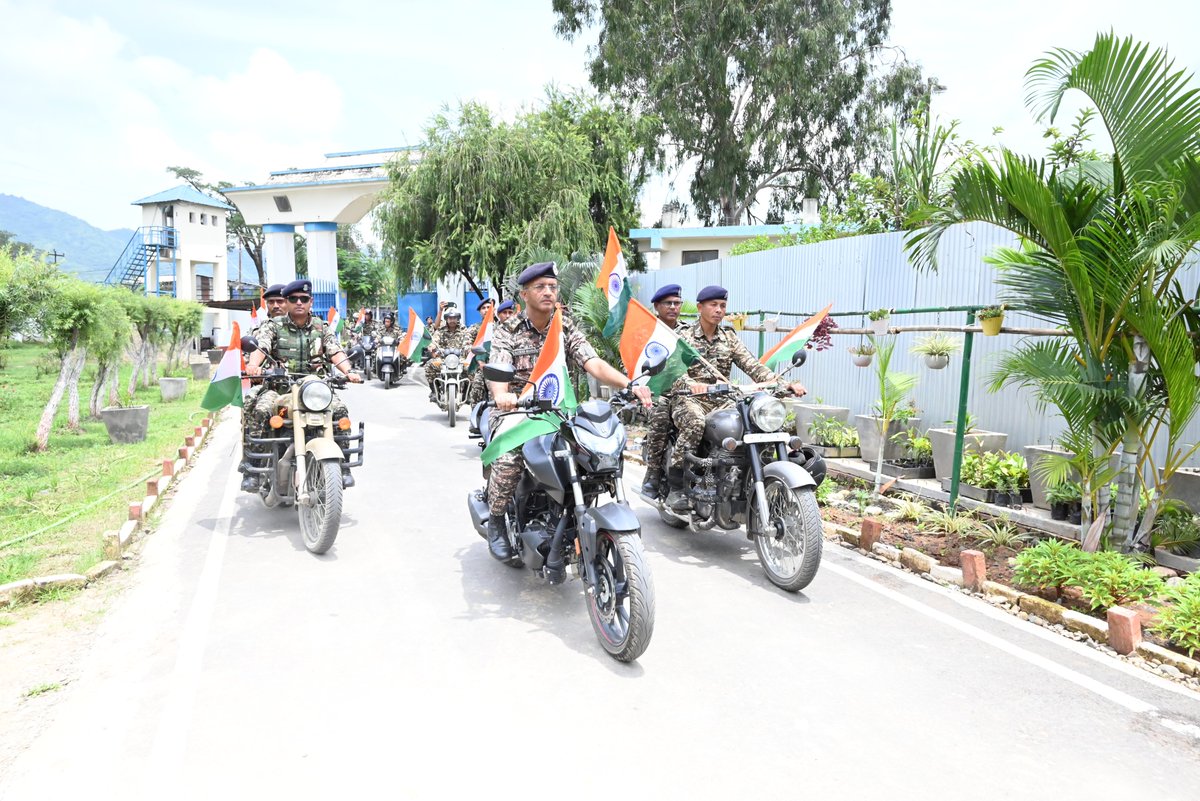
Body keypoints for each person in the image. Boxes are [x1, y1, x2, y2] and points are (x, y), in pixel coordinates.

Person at [485, 262, 652, 561]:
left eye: (552, 286)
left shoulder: (564, 326)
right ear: (525, 294)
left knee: (594, 453)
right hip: (518, 412)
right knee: (509, 458)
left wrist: (630, 384)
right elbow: (498, 368)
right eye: (540, 287)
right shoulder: (507, 330)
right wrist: (503, 396)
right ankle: (497, 519)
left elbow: (593, 363)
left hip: (560, 412)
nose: (548, 292)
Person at [665, 285, 807, 511]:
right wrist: (694, 385)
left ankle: (751, 477)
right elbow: (674, 372)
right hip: (690, 398)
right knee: (695, 423)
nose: (718, 310)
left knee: (756, 423)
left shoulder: (729, 338)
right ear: (700, 307)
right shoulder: (683, 337)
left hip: (723, 399)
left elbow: (753, 366)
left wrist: (783, 384)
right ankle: (676, 488)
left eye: (722, 306)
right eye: (713, 305)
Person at [242, 279, 363, 492]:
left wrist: (349, 371)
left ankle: (342, 468)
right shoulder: (273, 326)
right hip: (279, 388)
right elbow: (261, 346)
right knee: (260, 410)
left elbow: (335, 351)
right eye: (293, 299)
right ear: (287, 302)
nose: (299, 302)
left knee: (340, 410)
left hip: (315, 389)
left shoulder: (321, 327)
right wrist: (253, 366)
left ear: (311, 302)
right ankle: (254, 468)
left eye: (304, 299)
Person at [638, 284, 690, 498]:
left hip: (685, 393)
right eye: (667, 303)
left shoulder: (687, 333)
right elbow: (632, 364)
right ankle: (653, 473)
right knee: (660, 414)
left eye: (676, 303)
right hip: (654, 393)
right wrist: (638, 386)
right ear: (657, 306)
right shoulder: (645, 332)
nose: (673, 307)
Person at [465, 299, 516, 410]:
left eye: (510, 312)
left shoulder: (517, 329)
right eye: (484, 308)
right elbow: (470, 347)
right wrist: (479, 360)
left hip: (512, 368)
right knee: (478, 383)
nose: (507, 316)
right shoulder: (484, 329)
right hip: (486, 366)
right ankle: (477, 414)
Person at [424, 305, 472, 401]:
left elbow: (467, 341)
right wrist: (432, 347)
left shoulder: (463, 329)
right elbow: (435, 340)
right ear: (446, 318)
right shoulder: (441, 330)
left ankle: (467, 393)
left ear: (458, 318)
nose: (452, 320)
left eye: (454, 318)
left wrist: (469, 349)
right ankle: (434, 390)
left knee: (472, 368)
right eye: (450, 318)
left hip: (460, 359)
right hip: (443, 358)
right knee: (429, 366)